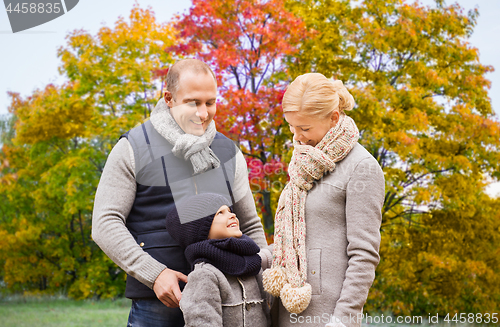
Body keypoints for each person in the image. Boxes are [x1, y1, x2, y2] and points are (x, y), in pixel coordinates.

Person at [92, 59, 270, 327]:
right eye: (193, 102)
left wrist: (265, 280)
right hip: (158, 304)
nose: (203, 113)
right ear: (169, 98)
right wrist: (155, 274)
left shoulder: (229, 152)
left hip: (227, 303)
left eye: (210, 102)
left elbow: (250, 224)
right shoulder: (133, 147)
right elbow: (105, 223)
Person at [262, 73, 385, 327]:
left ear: (334, 118)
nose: (296, 136)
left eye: (305, 128)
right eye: (291, 126)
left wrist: (343, 320)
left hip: (326, 316)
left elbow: (364, 254)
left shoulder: (362, 167)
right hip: (288, 308)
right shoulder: (305, 162)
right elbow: (294, 238)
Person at [165, 192, 272, 327]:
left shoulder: (251, 263)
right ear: (201, 230)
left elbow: (268, 315)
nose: (232, 215)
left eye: (229, 210)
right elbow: (201, 322)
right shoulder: (204, 275)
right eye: (220, 213)